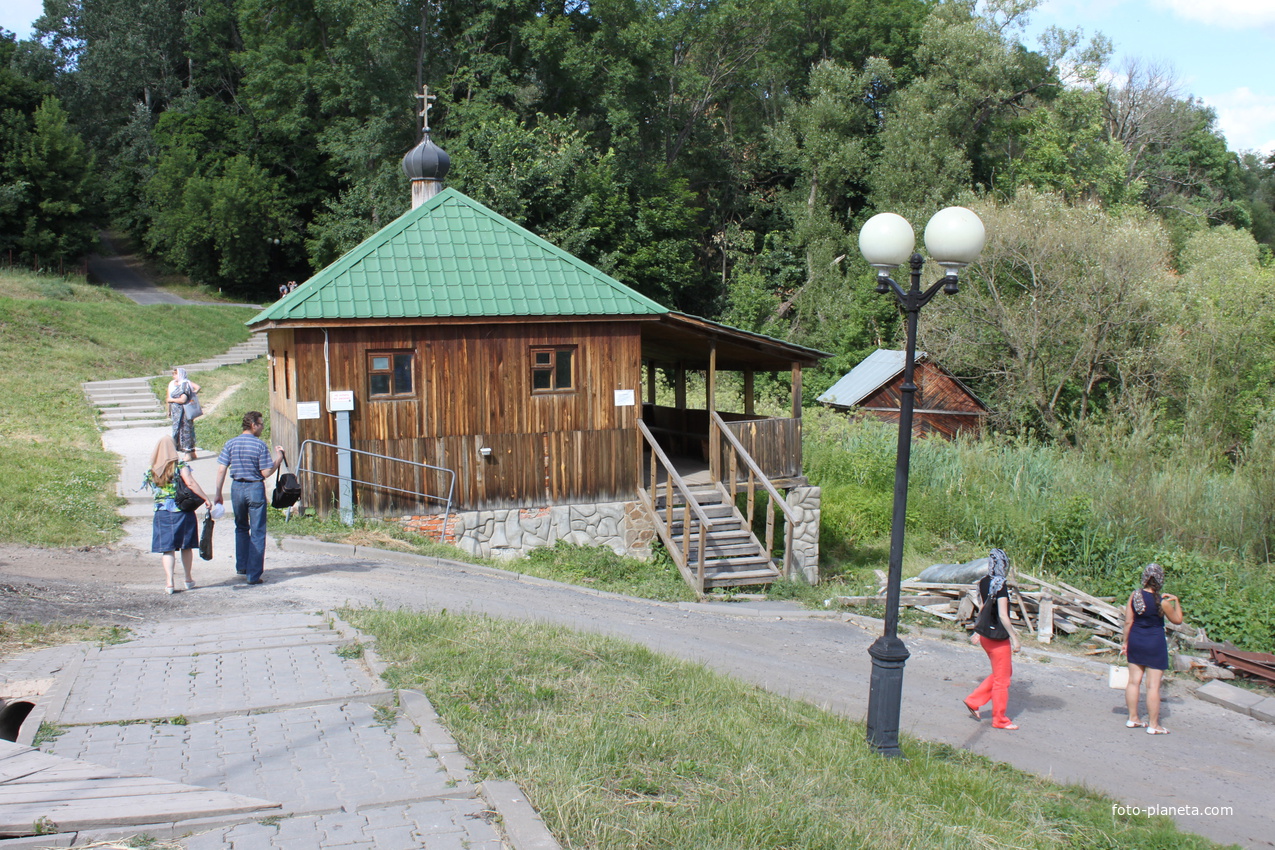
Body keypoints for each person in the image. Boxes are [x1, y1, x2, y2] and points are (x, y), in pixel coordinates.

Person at [214, 411, 284, 585]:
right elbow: (266, 472)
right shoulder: (259, 445)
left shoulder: (230, 443)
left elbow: (222, 469)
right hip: (254, 488)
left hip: (236, 487)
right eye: (260, 424)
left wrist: (218, 493)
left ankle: (242, 566)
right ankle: (253, 575)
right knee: (257, 531)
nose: (262, 427)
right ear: (253, 425)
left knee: (240, 527)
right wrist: (279, 459)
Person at [143, 436, 211, 594]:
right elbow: (190, 483)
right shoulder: (180, 465)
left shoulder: (152, 469)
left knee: (168, 549)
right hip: (182, 511)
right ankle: (188, 579)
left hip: (161, 513)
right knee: (186, 546)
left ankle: (169, 583)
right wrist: (205, 498)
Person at [1122, 563, 1184, 735]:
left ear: (1144, 578)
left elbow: (1128, 622)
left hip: (1136, 639)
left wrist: (1125, 642)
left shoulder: (1134, 596)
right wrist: (1176, 601)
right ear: (1160, 580)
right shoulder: (1163, 602)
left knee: (1134, 681)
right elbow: (1178, 620)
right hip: (1154, 643)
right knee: (1153, 686)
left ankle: (1133, 718)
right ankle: (1153, 724)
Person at [964, 548, 1022, 730]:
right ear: (1003, 564)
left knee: (1002, 674)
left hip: (986, 638)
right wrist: (1015, 638)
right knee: (1002, 680)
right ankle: (1000, 719)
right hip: (998, 638)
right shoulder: (1001, 585)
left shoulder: (983, 582)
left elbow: (983, 609)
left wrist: (978, 631)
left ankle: (973, 700)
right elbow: (1003, 616)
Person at [167, 367, 201, 462]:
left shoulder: (184, 384)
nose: (174, 376)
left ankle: (188, 454)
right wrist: (169, 410)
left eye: (175, 374)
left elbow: (183, 399)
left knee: (185, 432)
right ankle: (192, 452)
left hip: (183, 414)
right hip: (177, 413)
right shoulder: (175, 384)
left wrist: (172, 400)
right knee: (183, 432)